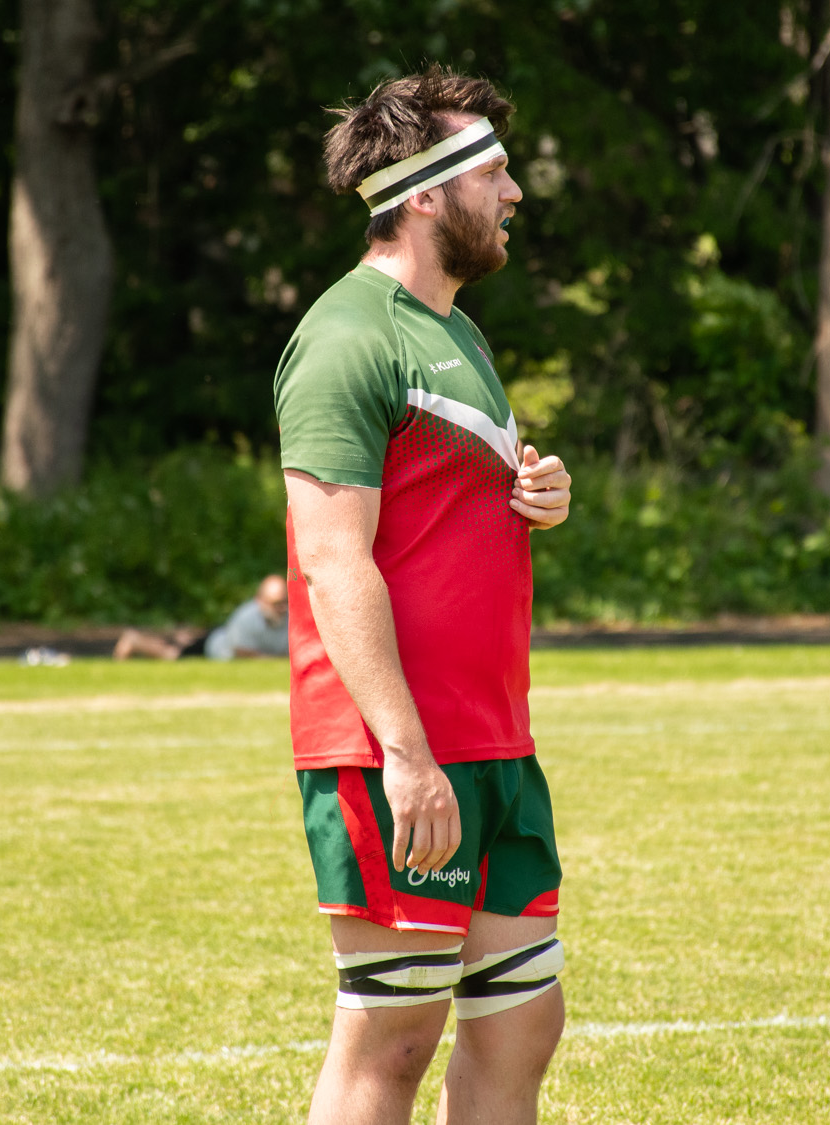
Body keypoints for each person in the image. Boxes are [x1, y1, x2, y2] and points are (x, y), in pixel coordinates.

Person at [276, 66, 575, 1125]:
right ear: (424, 194)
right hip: (395, 753)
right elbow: (332, 560)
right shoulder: (347, 335)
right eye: (494, 169)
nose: (514, 192)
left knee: (520, 1024)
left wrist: (534, 493)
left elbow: (437, 508)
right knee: (393, 1037)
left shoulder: (453, 332)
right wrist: (406, 755)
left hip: (495, 743)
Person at [112, 574, 290, 661]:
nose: (282, 608)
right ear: (260, 601)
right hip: (213, 648)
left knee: (179, 644)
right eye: (276, 603)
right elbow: (242, 653)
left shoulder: (290, 616)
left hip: (219, 635)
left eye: (285, 602)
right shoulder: (247, 617)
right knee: (173, 654)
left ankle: (155, 639)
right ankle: (134, 641)